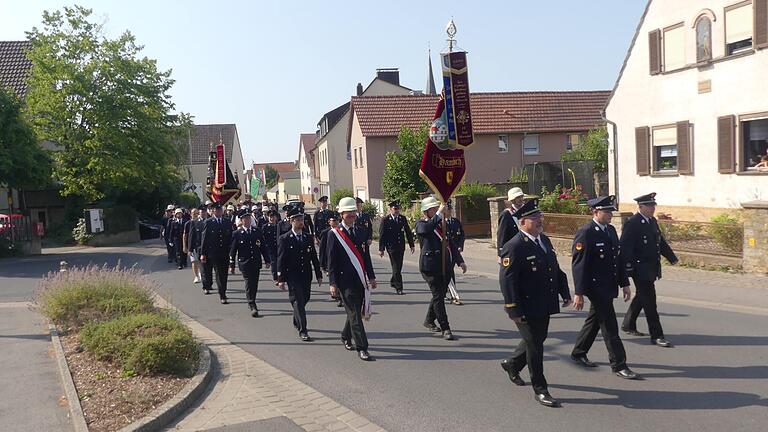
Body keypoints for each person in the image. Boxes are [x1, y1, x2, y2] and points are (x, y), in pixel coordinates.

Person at [499, 199, 572, 407]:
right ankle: (540, 389)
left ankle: (512, 364)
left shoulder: (544, 241)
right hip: (524, 305)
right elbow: (507, 280)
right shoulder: (514, 247)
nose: (540, 221)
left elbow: (555, 269)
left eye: (540, 217)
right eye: (534, 218)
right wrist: (513, 309)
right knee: (535, 346)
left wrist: (564, 292)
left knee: (539, 338)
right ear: (522, 222)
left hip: (544, 302)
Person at [570, 196, 639, 380]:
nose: (610, 215)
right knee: (610, 326)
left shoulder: (609, 230)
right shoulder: (586, 233)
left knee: (594, 320)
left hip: (609, 285)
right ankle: (619, 364)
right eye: (607, 212)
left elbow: (617, 259)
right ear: (595, 212)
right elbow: (579, 265)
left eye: (611, 211)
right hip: (595, 287)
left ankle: (579, 351)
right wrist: (579, 292)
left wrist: (624, 283)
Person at [620, 193, 678, 347]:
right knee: (650, 302)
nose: (652, 208)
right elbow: (625, 248)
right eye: (649, 206)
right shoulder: (632, 223)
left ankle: (628, 324)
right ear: (640, 207)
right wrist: (627, 269)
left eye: (653, 205)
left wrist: (671, 257)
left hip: (651, 267)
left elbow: (660, 242)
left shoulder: (652, 221)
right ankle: (657, 335)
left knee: (642, 296)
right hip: (639, 269)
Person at [327, 197, 378, 361]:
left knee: (354, 312)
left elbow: (366, 257)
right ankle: (362, 347)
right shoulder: (334, 234)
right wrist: (333, 283)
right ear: (341, 214)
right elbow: (331, 261)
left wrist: (371, 276)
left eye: (353, 212)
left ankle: (345, 336)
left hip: (360, 280)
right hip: (344, 282)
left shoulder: (361, 231)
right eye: (348, 212)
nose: (352, 215)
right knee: (355, 314)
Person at [416, 197, 467, 341]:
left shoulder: (443, 225)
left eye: (436, 208)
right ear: (426, 211)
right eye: (433, 209)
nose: (437, 211)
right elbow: (425, 230)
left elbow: (451, 244)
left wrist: (460, 261)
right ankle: (446, 328)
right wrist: (439, 213)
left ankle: (429, 320)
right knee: (439, 296)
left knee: (439, 294)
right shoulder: (421, 224)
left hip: (445, 266)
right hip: (430, 267)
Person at [277, 207, 322, 342]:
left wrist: (319, 274)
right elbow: (281, 259)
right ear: (291, 221)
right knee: (299, 301)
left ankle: (296, 316)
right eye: (297, 220)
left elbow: (314, 257)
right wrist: (281, 279)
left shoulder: (308, 237)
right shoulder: (285, 239)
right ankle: (303, 330)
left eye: (302, 219)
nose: (301, 222)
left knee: (305, 298)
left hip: (306, 275)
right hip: (292, 275)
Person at [230, 212, 271, 318]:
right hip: (244, 262)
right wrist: (232, 265)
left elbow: (262, 247)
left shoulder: (257, 232)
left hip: (255, 262)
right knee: (249, 282)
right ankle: (252, 303)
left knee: (255, 283)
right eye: (245, 219)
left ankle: (252, 299)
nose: (247, 220)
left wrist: (267, 260)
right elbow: (233, 250)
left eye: (249, 218)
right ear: (241, 220)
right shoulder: (237, 233)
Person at [378, 200, 415, 295]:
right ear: (390, 209)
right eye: (395, 209)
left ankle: (393, 281)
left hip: (400, 246)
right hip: (391, 247)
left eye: (398, 208)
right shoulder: (385, 220)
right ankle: (399, 287)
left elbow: (408, 232)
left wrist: (411, 244)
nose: (397, 210)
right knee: (395, 267)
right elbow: (382, 235)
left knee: (399, 266)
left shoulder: (402, 218)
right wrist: (381, 249)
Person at [200, 202, 233, 303]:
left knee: (224, 274)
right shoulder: (209, 222)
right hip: (213, 253)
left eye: (220, 210)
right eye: (217, 210)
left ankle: (223, 291)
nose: (219, 212)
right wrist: (203, 253)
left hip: (225, 252)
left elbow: (230, 237)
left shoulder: (227, 221)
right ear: (213, 211)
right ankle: (222, 295)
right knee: (218, 273)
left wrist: (232, 251)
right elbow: (204, 239)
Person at [319, 211, 344, 307]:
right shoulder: (326, 233)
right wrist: (322, 264)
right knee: (333, 278)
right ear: (329, 222)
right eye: (333, 220)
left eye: (337, 220)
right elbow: (322, 250)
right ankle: (336, 293)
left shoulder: (342, 231)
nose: (336, 222)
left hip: (340, 260)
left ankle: (341, 298)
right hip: (329, 260)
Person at [444, 202, 465, 305]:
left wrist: (460, 246)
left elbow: (461, 235)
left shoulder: (456, 222)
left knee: (449, 273)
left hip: (454, 251)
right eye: (447, 209)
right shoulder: (440, 223)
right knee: (446, 274)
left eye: (450, 209)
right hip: (444, 254)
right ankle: (447, 295)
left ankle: (453, 295)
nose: (449, 211)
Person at [497, 187, 525, 259]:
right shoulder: (506, 214)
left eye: (521, 196)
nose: (520, 199)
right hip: (513, 250)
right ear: (512, 200)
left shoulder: (527, 211)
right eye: (517, 197)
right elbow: (502, 235)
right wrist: (501, 254)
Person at [183, 206, 206, 283]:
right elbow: (185, 236)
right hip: (192, 246)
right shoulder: (188, 223)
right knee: (194, 261)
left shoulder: (202, 222)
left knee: (200, 261)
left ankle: (201, 273)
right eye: (193, 213)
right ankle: (196, 276)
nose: (195, 215)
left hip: (200, 246)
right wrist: (186, 247)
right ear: (190, 214)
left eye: (196, 213)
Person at [262, 210, 280, 283]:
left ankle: (281, 276)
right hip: (270, 249)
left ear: (276, 217)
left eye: (273, 217)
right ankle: (275, 278)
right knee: (274, 263)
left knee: (280, 263)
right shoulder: (265, 227)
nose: (271, 218)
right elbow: (262, 238)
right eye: (270, 217)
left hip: (279, 248)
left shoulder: (279, 226)